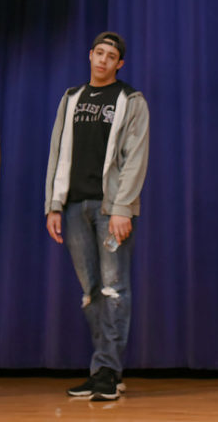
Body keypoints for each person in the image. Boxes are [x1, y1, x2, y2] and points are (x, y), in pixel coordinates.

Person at [45, 32, 149, 401]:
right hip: (74, 207)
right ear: (90, 55)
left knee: (114, 288)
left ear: (119, 63)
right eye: (99, 53)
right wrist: (53, 205)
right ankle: (106, 368)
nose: (103, 60)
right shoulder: (71, 98)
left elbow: (135, 158)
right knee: (91, 292)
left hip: (110, 210)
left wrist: (122, 208)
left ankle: (106, 369)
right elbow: (57, 152)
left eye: (112, 56)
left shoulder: (131, 100)